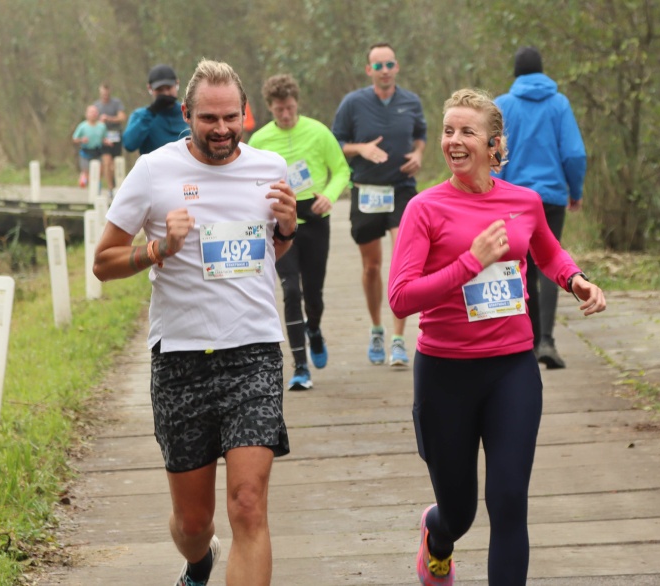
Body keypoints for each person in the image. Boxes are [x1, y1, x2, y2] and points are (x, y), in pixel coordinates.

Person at [93, 58, 298, 586]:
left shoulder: (270, 167)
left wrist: (288, 231)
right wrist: (159, 249)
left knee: (248, 505)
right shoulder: (154, 171)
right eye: (209, 118)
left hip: (253, 352)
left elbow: (265, 254)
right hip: (181, 358)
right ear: (187, 114)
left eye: (231, 117)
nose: (223, 129)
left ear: (245, 114)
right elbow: (104, 260)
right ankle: (198, 562)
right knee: (193, 522)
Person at [388, 88, 606, 585]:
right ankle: (436, 537)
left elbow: (547, 253)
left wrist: (576, 281)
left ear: (494, 144)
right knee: (459, 512)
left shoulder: (524, 201)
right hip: (444, 373)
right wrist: (471, 262)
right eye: (448, 131)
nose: (454, 141)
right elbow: (401, 298)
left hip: (511, 367)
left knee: (509, 502)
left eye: (467, 132)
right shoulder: (424, 209)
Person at [249, 74, 350, 391]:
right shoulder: (259, 141)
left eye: (290, 108)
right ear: (270, 108)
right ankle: (301, 367)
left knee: (314, 296)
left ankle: (315, 330)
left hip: (315, 217)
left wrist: (329, 196)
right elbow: (247, 181)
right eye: (279, 110)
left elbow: (342, 169)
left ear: (297, 104)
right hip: (280, 223)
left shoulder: (318, 132)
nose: (286, 115)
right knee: (291, 291)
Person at [331, 42, 427, 367]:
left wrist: (418, 155)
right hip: (366, 190)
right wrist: (361, 149)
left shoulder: (411, 101)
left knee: (404, 261)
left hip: (401, 189)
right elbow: (337, 144)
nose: (385, 70)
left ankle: (399, 339)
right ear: (369, 70)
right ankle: (376, 329)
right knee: (372, 267)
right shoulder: (353, 103)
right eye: (378, 65)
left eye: (390, 64)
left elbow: (422, 135)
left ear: (397, 67)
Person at [492, 46, 587, 369]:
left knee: (522, 267)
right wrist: (575, 191)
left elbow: (494, 154)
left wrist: (493, 193)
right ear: (542, 71)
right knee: (550, 262)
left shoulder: (503, 105)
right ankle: (547, 340)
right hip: (550, 198)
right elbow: (574, 154)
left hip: (513, 201)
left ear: (516, 73)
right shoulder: (559, 104)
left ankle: (529, 345)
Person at [122, 63, 190, 155]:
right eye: (160, 90)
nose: (165, 93)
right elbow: (129, 145)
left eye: (169, 88)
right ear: (150, 88)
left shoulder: (189, 113)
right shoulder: (140, 116)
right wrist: (151, 112)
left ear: (177, 84)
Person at [94, 82, 126, 193]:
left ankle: (118, 185)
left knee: (116, 163)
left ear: (109, 92)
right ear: (100, 93)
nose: (105, 96)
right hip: (103, 137)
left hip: (115, 135)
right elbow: (91, 121)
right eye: (103, 94)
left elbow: (122, 117)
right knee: (107, 162)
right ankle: (111, 188)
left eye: (106, 94)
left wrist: (109, 119)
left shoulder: (116, 103)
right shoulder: (96, 106)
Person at [71, 105, 110, 188]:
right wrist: (81, 140)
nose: (93, 114)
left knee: (99, 173)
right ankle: (84, 178)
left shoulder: (102, 126)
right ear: (87, 114)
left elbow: (103, 138)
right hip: (85, 153)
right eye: (91, 112)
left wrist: (107, 141)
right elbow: (74, 139)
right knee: (88, 176)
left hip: (97, 152)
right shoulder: (82, 126)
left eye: (95, 112)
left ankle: (97, 188)